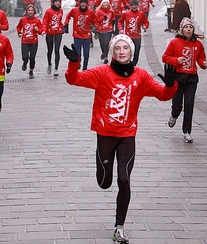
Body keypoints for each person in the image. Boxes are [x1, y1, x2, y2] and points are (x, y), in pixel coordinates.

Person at [63, 34, 178, 244]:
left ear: (131, 52)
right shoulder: (101, 72)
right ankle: (102, 170)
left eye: (126, 48)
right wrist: (73, 63)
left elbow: (163, 95)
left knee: (124, 180)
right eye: (118, 48)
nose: (122, 51)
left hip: (127, 135)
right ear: (112, 52)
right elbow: (74, 79)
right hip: (105, 135)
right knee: (105, 183)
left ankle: (119, 227)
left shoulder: (141, 76)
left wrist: (171, 85)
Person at [162, 17, 207, 143]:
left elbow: (201, 58)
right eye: (186, 27)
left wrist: (203, 63)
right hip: (178, 77)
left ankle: (187, 131)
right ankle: (174, 115)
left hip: (191, 78)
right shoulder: (174, 42)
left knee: (189, 104)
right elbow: (165, 57)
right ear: (182, 30)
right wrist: (176, 60)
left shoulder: (198, 44)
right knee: (177, 104)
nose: (189, 29)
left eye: (191, 27)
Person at [63, 0, 96, 71]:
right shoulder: (74, 10)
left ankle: (85, 69)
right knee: (78, 55)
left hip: (86, 36)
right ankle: (78, 64)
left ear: (87, 4)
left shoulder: (90, 12)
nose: (83, 4)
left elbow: (95, 20)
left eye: (85, 3)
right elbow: (68, 16)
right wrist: (66, 24)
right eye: (82, 3)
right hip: (77, 35)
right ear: (79, 3)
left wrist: (95, 27)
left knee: (86, 55)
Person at [118, 0, 149, 66]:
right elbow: (120, 21)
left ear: (138, 5)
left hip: (137, 36)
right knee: (127, 52)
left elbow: (146, 22)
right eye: (132, 5)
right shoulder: (126, 14)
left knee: (136, 53)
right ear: (130, 6)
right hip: (128, 37)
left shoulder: (141, 13)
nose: (134, 7)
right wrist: (120, 29)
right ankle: (127, 64)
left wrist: (145, 26)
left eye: (135, 5)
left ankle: (134, 65)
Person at [16, 4, 42, 79]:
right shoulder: (23, 20)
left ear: (34, 11)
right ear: (26, 11)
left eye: (32, 10)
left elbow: (41, 30)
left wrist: (38, 30)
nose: (30, 12)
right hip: (25, 41)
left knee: (32, 57)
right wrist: (19, 33)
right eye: (29, 10)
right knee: (25, 56)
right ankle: (25, 62)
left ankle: (31, 71)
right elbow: (18, 27)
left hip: (34, 42)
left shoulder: (37, 20)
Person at [41, 0, 64, 77]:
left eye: (59, 2)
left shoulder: (61, 10)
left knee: (57, 50)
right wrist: (43, 30)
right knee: (50, 50)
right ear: (53, 3)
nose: (58, 3)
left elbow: (60, 21)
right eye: (56, 2)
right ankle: (49, 64)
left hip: (58, 32)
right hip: (49, 32)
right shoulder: (48, 11)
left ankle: (56, 69)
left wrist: (63, 27)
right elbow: (45, 22)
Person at [95, 0, 115, 64]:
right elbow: (96, 20)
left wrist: (114, 28)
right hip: (100, 30)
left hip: (109, 29)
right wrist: (102, 18)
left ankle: (105, 57)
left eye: (107, 3)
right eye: (104, 3)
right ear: (102, 4)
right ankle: (103, 53)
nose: (106, 4)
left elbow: (113, 19)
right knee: (102, 44)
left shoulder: (111, 12)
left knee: (106, 43)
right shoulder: (99, 12)